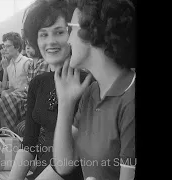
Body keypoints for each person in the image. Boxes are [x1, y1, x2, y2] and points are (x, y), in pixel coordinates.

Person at [53, 0, 136, 180]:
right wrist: (66, 103)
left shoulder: (130, 98)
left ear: (92, 32)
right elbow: (64, 164)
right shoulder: (92, 92)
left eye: (71, 30)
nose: (68, 40)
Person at [8, 0, 86, 180]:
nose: (50, 41)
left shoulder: (86, 84)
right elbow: (28, 144)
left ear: (73, 34)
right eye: (43, 34)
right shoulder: (38, 83)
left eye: (59, 32)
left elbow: (73, 159)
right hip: (42, 171)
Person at [0, 32, 32, 96]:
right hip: (15, 97)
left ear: (17, 47)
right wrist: (5, 70)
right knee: (3, 93)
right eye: (4, 46)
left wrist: (13, 92)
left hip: (25, 97)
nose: (5, 49)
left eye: (7, 46)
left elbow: (31, 86)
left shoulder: (27, 62)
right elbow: (4, 87)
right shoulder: (9, 64)